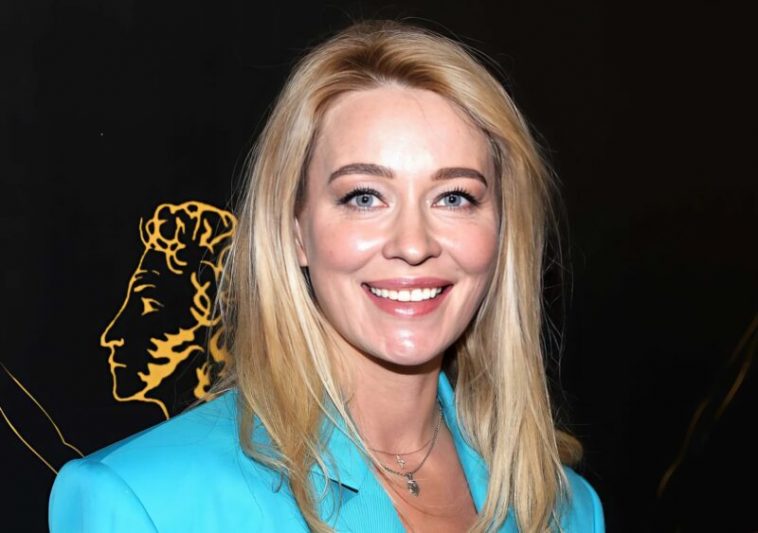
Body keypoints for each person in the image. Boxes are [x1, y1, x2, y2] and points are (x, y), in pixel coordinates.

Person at [49, 20, 604, 532]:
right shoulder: (145, 503)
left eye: (454, 197)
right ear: (296, 230)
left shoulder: (566, 508)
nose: (413, 245)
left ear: (503, 231)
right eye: (364, 197)